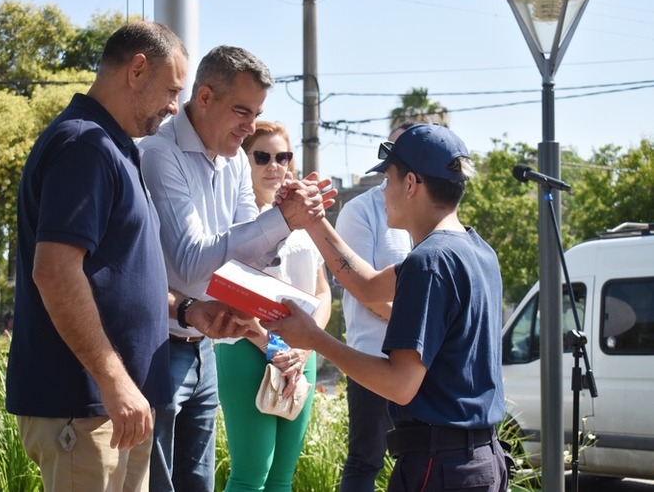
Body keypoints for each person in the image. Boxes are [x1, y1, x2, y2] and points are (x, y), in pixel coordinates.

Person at [6, 22, 250, 492]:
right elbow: (55, 271)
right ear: (137, 70)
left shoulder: (114, 147)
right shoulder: (85, 145)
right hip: (86, 406)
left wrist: (188, 310)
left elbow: (121, 275)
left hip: (115, 407)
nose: (174, 106)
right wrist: (113, 381)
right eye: (172, 90)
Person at [266, 123, 509, 491]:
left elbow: (399, 385)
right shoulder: (475, 249)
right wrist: (313, 219)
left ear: (411, 184)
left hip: (440, 469)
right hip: (480, 461)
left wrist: (315, 339)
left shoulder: (429, 262)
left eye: (388, 179)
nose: (383, 191)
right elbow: (365, 284)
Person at [139, 45, 332, 492]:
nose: (249, 127)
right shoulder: (159, 153)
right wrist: (282, 220)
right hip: (160, 345)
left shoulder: (233, 163)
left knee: (203, 484)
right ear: (204, 97)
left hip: (205, 345)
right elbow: (192, 262)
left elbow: (247, 263)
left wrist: (285, 218)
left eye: (257, 114)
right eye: (243, 112)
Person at [215, 120, 332, 491]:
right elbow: (229, 295)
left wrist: (306, 346)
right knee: (251, 476)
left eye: (283, 157)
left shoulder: (306, 220)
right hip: (245, 347)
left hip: (301, 355)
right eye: (262, 156)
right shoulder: (237, 218)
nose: (274, 166)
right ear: (243, 160)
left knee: (282, 478)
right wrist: (274, 346)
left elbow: (323, 292)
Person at [336, 122, 414, 492]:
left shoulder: (429, 213)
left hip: (421, 360)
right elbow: (365, 292)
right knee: (366, 460)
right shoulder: (360, 211)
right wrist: (419, 326)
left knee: (418, 458)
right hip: (373, 359)